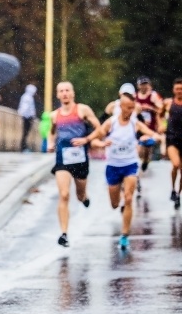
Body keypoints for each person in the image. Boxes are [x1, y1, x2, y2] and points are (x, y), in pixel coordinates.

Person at [74, 93, 160, 249]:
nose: (131, 111)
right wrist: (101, 144)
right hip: (113, 166)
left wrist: (150, 138)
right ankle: (119, 202)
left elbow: (153, 134)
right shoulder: (111, 123)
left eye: (133, 108)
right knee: (114, 204)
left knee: (128, 198)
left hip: (130, 164)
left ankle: (125, 235)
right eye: (129, 108)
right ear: (121, 107)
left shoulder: (135, 123)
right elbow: (94, 139)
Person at [47, 81, 101, 247]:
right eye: (61, 91)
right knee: (64, 194)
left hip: (80, 159)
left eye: (67, 90)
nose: (64, 93)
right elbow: (51, 132)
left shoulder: (82, 110)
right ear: (57, 95)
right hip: (62, 159)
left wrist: (87, 139)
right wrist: (50, 143)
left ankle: (84, 197)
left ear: (73, 93)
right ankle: (64, 234)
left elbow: (100, 128)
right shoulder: (54, 115)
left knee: (79, 195)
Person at [135, 76, 163, 172]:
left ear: (148, 85)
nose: (144, 87)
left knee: (147, 148)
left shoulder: (153, 96)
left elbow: (161, 110)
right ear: (138, 86)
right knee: (139, 149)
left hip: (150, 127)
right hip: (138, 127)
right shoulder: (135, 97)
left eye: (145, 84)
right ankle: (137, 165)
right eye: (142, 84)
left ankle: (146, 161)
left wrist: (150, 108)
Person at [163, 78, 182, 210]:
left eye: (181, 89)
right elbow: (160, 116)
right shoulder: (168, 103)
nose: (179, 91)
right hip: (172, 139)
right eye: (177, 89)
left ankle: (178, 195)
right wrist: (161, 125)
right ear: (173, 90)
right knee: (175, 164)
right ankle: (172, 189)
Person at [18, 85, 38, 151]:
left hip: (27, 117)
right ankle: (23, 147)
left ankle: (24, 146)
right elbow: (25, 108)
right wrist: (30, 115)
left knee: (25, 133)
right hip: (27, 117)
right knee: (25, 132)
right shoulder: (27, 97)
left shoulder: (27, 97)